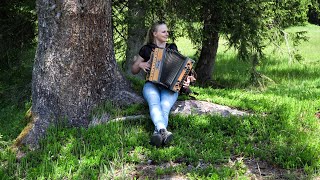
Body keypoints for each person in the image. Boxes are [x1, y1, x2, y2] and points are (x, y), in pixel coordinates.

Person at [131, 21, 193, 147]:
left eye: (167, 31)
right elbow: (134, 70)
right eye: (163, 31)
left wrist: (187, 80)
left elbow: (183, 69)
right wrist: (141, 64)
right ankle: (163, 131)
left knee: (164, 107)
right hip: (151, 85)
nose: (167, 33)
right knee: (154, 103)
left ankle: (158, 132)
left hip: (170, 87)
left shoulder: (172, 48)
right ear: (155, 33)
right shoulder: (146, 49)